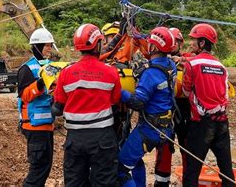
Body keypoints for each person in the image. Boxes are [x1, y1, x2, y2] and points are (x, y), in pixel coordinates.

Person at [53, 23, 122, 187]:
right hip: (103, 138)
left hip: (75, 139)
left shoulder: (66, 73)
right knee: (104, 182)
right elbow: (115, 103)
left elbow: (58, 107)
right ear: (98, 44)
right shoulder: (111, 72)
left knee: (75, 182)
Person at [118, 26, 177, 187]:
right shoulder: (171, 65)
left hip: (149, 129)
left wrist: (119, 90)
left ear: (155, 47)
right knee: (135, 161)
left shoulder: (150, 73)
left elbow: (138, 102)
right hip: (165, 128)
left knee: (120, 169)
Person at [181, 23, 235, 187]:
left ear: (202, 43)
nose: (191, 44)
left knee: (192, 171)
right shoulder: (222, 67)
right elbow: (225, 94)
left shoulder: (191, 65)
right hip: (222, 123)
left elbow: (185, 91)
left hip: (201, 125)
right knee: (227, 170)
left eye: (194, 40)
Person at [153, 27, 192, 187]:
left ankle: (189, 180)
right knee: (164, 147)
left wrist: (182, 61)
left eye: (177, 41)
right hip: (166, 110)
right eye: (172, 41)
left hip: (184, 111)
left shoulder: (188, 58)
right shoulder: (160, 60)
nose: (174, 44)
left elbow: (195, 59)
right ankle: (161, 182)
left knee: (186, 146)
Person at [17, 27, 57, 187]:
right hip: (34, 126)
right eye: (47, 45)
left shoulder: (51, 66)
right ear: (37, 46)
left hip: (47, 126)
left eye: (50, 45)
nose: (49, 49)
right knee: (39, 168)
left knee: (44, 167)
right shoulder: (27, 69)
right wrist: (40, 83)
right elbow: (25, 95)